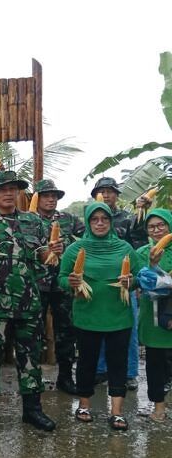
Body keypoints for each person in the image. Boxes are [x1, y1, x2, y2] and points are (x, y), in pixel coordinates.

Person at [0, 170, 58, 434]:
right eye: (2, 189)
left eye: (13, 189)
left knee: (30, 360)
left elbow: (42, 255)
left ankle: (32, 411)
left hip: (28, 304)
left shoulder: (34, 222)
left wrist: (52, 252)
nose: (8, 193)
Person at [59, 202, 139, 430]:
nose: (100, 223)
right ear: (88, 222)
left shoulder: (124, 248)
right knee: (86, 363)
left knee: (117, 364)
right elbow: (62, 278)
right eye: (95, 219)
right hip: (88, 316)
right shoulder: (76, 249)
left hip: (118, 316)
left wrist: (130, 282)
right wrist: (71, 282)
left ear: (111, 221)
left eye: (105, 218)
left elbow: (140, 276)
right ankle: (84, 405)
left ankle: (116, 411)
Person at [32, 179, 85, 395]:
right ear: (38, 198)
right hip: (38, 283)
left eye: (54, 196)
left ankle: (65, 377)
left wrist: (69, 246)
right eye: (46, 195)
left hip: (63, 283)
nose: (51, 199)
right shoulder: (29, 220)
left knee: (66, 331)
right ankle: (33, 379)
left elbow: (86, 239)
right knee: (34, 332)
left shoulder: (68, 219)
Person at [90, 177, 142, 390]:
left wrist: (135, 282)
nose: (106, 194)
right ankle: (101, 370)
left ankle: (129, 372)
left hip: (123, 281)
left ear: (117, 195)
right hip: (98, 281)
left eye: (110, 191)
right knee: (98, 325)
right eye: (101, 191)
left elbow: (139, 243)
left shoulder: (127, 219)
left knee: (128, 328)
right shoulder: (89, 218)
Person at [135, 208, 172, 422]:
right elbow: (143, 283)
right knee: (156, 364)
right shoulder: (141, 253)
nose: (157, 230)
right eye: (151, 227)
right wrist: (153, 265)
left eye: (161, 225)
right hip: (154, 316)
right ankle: (158, 405)